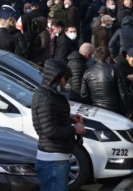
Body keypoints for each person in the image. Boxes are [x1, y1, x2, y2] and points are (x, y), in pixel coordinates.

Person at [32, 58, 85, 191]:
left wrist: (70, 118)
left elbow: (50, 117)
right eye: (66, 78)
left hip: (56, 159)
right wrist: (75, 129)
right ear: (57, 77)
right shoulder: (46, 98)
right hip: (53, 161)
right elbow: (50, 130)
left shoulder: (49, 95)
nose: (67, 82)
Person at [81, 46, 133, 117]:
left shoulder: (87, 72)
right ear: (108, 57)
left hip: (96, 109)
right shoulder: (114, 70)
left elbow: (84, 95)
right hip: (114, 109)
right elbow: (123, 93)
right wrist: (128, 109)